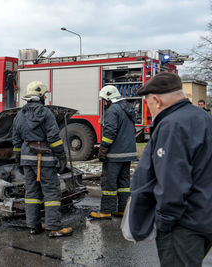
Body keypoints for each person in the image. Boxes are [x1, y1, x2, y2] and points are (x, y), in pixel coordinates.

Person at [129, 72, 212, 266]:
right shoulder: (202, 117)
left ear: (156, 101)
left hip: (183, 225)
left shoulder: (171, 125)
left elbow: (172, 182)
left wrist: (164, 222)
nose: (150, 111)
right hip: (203, 216)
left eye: (148, 105)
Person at [12, 81, 71, 237]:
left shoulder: (19, 115)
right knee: (51, 193)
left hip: (26, 159)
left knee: (31, 193)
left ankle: (34, 226)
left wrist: (19, 160)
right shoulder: (46, 113)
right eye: (44, 95)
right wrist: (61, 155)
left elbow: (16, 141)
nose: (45, 97)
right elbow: (54, 138)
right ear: (40, 97)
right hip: (44, 159)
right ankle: (54, 228)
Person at [89, 85, 137, 219]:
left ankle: (105, 211)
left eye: (105, 99)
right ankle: (122, 209)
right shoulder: (128, 108)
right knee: (124, 184)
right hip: (127, 154)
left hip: (114, 154)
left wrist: (103, 149)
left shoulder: (113, 110)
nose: (105, 102)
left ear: (109, 97)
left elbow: (109, 132)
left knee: (109, 183)